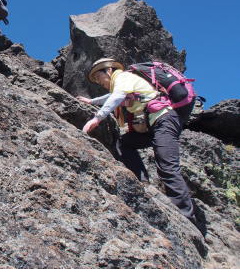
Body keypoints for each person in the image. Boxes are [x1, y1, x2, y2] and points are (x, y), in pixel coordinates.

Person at [79, 58, 196, 223]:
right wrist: (91, 102)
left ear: (109, 71)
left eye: (99, 77)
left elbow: (117, 96)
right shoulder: (123, 82)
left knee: (167, 166)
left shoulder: (123, 77)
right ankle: (141, 181)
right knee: (124, 143)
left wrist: (96, 118)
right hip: (153, 124)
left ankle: (187, 217)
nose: (99, 82)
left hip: (164, 119)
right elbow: (112, 95)